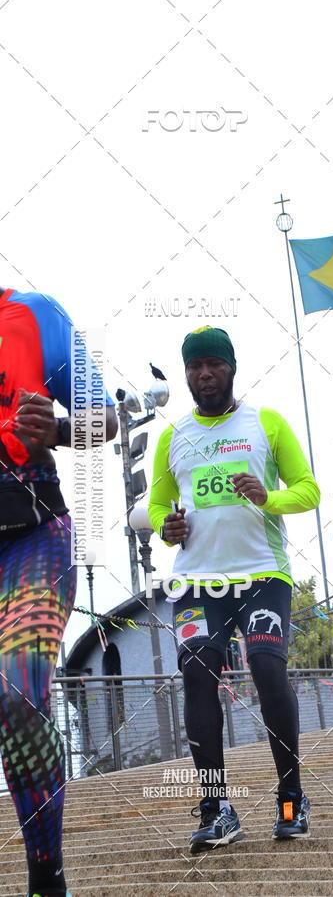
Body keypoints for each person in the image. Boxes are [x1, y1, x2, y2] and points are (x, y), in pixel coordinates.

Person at [148, 326, 320, 852]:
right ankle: (216, 808)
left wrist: (268, 498)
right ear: (186, 374)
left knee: (267, 666)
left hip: (262, 573)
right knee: (197, 673)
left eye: (214, 365)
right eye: (195, 366)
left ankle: (291, 798)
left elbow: (309, 490)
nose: (204, 374)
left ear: (231, 369)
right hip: (196, 580)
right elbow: (157, 505)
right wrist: (165, 527)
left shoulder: (266, 422)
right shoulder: (172, 437)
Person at [0, 288, 117, 897]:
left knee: (19, 692)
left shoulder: (33, 314)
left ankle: (47, 881)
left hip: (34, 537)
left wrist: (60, 427)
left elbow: (107, 419)